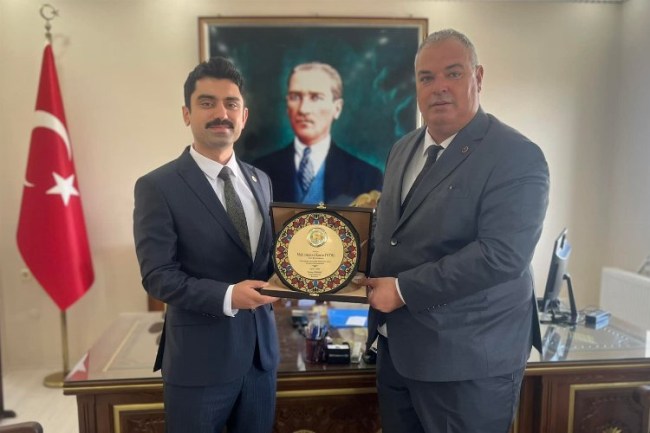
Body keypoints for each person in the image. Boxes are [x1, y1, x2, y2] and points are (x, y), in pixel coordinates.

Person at [364, 29, 549, 433]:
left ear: (477, 77)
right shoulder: (402, 149)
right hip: (397, 354)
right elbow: (392, 238)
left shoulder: (516, 155)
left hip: (468, 367)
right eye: (426, 78)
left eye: (453, 73)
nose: (439, 87)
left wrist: (402, 290)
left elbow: (501, 256)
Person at [133, 57, 280, 433]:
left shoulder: (261, 180)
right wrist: (229, 296)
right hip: (198, 365)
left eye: (231, 104)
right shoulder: (157, 187)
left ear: (243, 116)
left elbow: (268, 260)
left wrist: (317, 276)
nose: (221, 114)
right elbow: (158, 276)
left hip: (260, 360)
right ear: (187, 114)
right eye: (207, 103)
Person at [253, 62, 383, 206]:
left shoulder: (367, 177)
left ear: (337, 108)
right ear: (287, 106)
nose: (303, 109)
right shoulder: (258, 171)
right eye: (295, 97)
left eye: (316, 97)